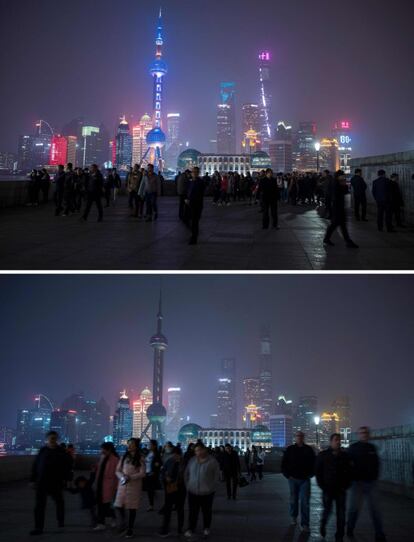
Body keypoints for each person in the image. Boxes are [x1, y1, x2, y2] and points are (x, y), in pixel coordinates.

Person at [347, 427, 387, 541]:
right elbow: (347, 464)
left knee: (375, 510)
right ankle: (350, 528)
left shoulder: (372, 448)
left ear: (368, 435)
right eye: (362, 433)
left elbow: (377, 463)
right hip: (357, 483)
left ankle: (379, 534)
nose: (364, 435)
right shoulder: (353, 448)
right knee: (354, 508)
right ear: (359, 435)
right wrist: (352, 477)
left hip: (371, 483)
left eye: (366, 433)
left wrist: (375, 476)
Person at [30, 431, 71, 536]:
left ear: (57, 439)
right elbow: (36, 465)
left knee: (59, 503)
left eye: (54, 438)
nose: (52, 440)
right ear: (47, 439)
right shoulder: (42, 450)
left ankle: (60, 520)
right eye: (51, 438)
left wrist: (66, 480)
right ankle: (38, 527)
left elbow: (67, 467)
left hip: (56, 483)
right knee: (39, 506)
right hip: (42, 483)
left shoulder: (61, 452)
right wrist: (32, 480)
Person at [316, 433, 353, 542]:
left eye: (339, 440)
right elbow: (318, 471)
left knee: (341, 514)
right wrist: (322, 486)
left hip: (341, 489)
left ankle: (339, 536)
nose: (338, 441)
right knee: (327, 511)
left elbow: (350, 472)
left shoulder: (345, 456)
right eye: (336, 440)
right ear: (331, 441)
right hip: (328, 489)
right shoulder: (323, 455)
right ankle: (323, 524)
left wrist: (347, 485)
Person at [184, 442, 220, 539]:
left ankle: (206, 528)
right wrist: (188, 485)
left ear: (204, 450)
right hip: (193, 491)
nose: (198, 452)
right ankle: (191, 528)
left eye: (200, 450)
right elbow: (186, 473)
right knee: (192, 512)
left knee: (206, 511)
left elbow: (216, 476)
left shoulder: (212, 462)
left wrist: (211, 487)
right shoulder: (192, 461)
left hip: (207, 492)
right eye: (196, 451)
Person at [281, 431, 315, 533]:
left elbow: (314, 463)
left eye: (301, 436)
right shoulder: (290, 449)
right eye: (298, 436)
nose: (299, 438)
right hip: (293, 479)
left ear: (303, 437)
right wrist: (288, 475)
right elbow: (284, 463)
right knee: (293, 500)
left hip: (305, 479)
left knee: (305, 502)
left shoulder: (308, 449)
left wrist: (311, 474)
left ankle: (305, 524)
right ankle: (293, 517)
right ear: (295, 438)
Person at [114, 438, 146, 539]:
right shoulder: (124, 457)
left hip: (134, 486)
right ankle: (124, 523)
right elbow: (117, 470)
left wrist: (130, 477)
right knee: (118, 505)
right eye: (128, 444)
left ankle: (130, 529)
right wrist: (122, 477)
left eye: (131, 444)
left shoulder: (140, 458)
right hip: (122, 486)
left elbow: (142, 473)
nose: (129, 446)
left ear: (136, 446)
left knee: (132, 508)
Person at [323, 170, 359, 248]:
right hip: (337, 207)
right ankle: (347, 241)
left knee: (339, 225)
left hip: (338, 207)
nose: (344, 177)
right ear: (339, 176)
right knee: (337, 225)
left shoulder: (336, 182)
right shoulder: (336, 183)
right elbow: (342, 193)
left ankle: (347, 241)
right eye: (342, 175)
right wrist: (344, 185)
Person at [159, 446, 186, 537]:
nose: (175, 457)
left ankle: (180, 528)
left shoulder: (184, 462)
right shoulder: (169, 461)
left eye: (177, 455)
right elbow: (162, 472)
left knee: (180, 509)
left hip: (181, 488)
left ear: (180, 454)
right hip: (170, 488)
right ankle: (165, 528)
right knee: (168, 508)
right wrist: (166, 478)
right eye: (174, 455)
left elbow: (187, 475)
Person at [93, 442, 119, 531]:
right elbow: (100, 470)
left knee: (106, 505)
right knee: (100, 504)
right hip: (100, 484)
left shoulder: (115, 460)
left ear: (109, 450)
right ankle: (101, 523)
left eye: (103, 449)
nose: (102, 451)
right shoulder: (102, 457)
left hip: (109, 486)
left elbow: (117, 475)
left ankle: (112, 518)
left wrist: (115, 488)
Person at [185, 166, 206, 245]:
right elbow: (188, 191)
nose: (194, 173)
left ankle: (194, 238)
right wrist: (187, 198)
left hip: (197, 205)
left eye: (195, 172)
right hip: (189, 204)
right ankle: (194, 234)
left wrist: (191, 199)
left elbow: (199, 194)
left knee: (194, 222)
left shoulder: (200, 182)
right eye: (193, 172)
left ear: (198, 173)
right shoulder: (190, 182)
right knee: (188, 220)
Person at [144, 439, 162, 511]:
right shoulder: (149, 452)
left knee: (150, 489)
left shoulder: (156, 453)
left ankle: (151, 505)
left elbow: (159, 463)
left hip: (151, 474)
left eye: (150, 444)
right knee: (150, 489)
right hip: (147, 473)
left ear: (154, 446)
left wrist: (154, 470)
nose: (149, 445)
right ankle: (152, 503)